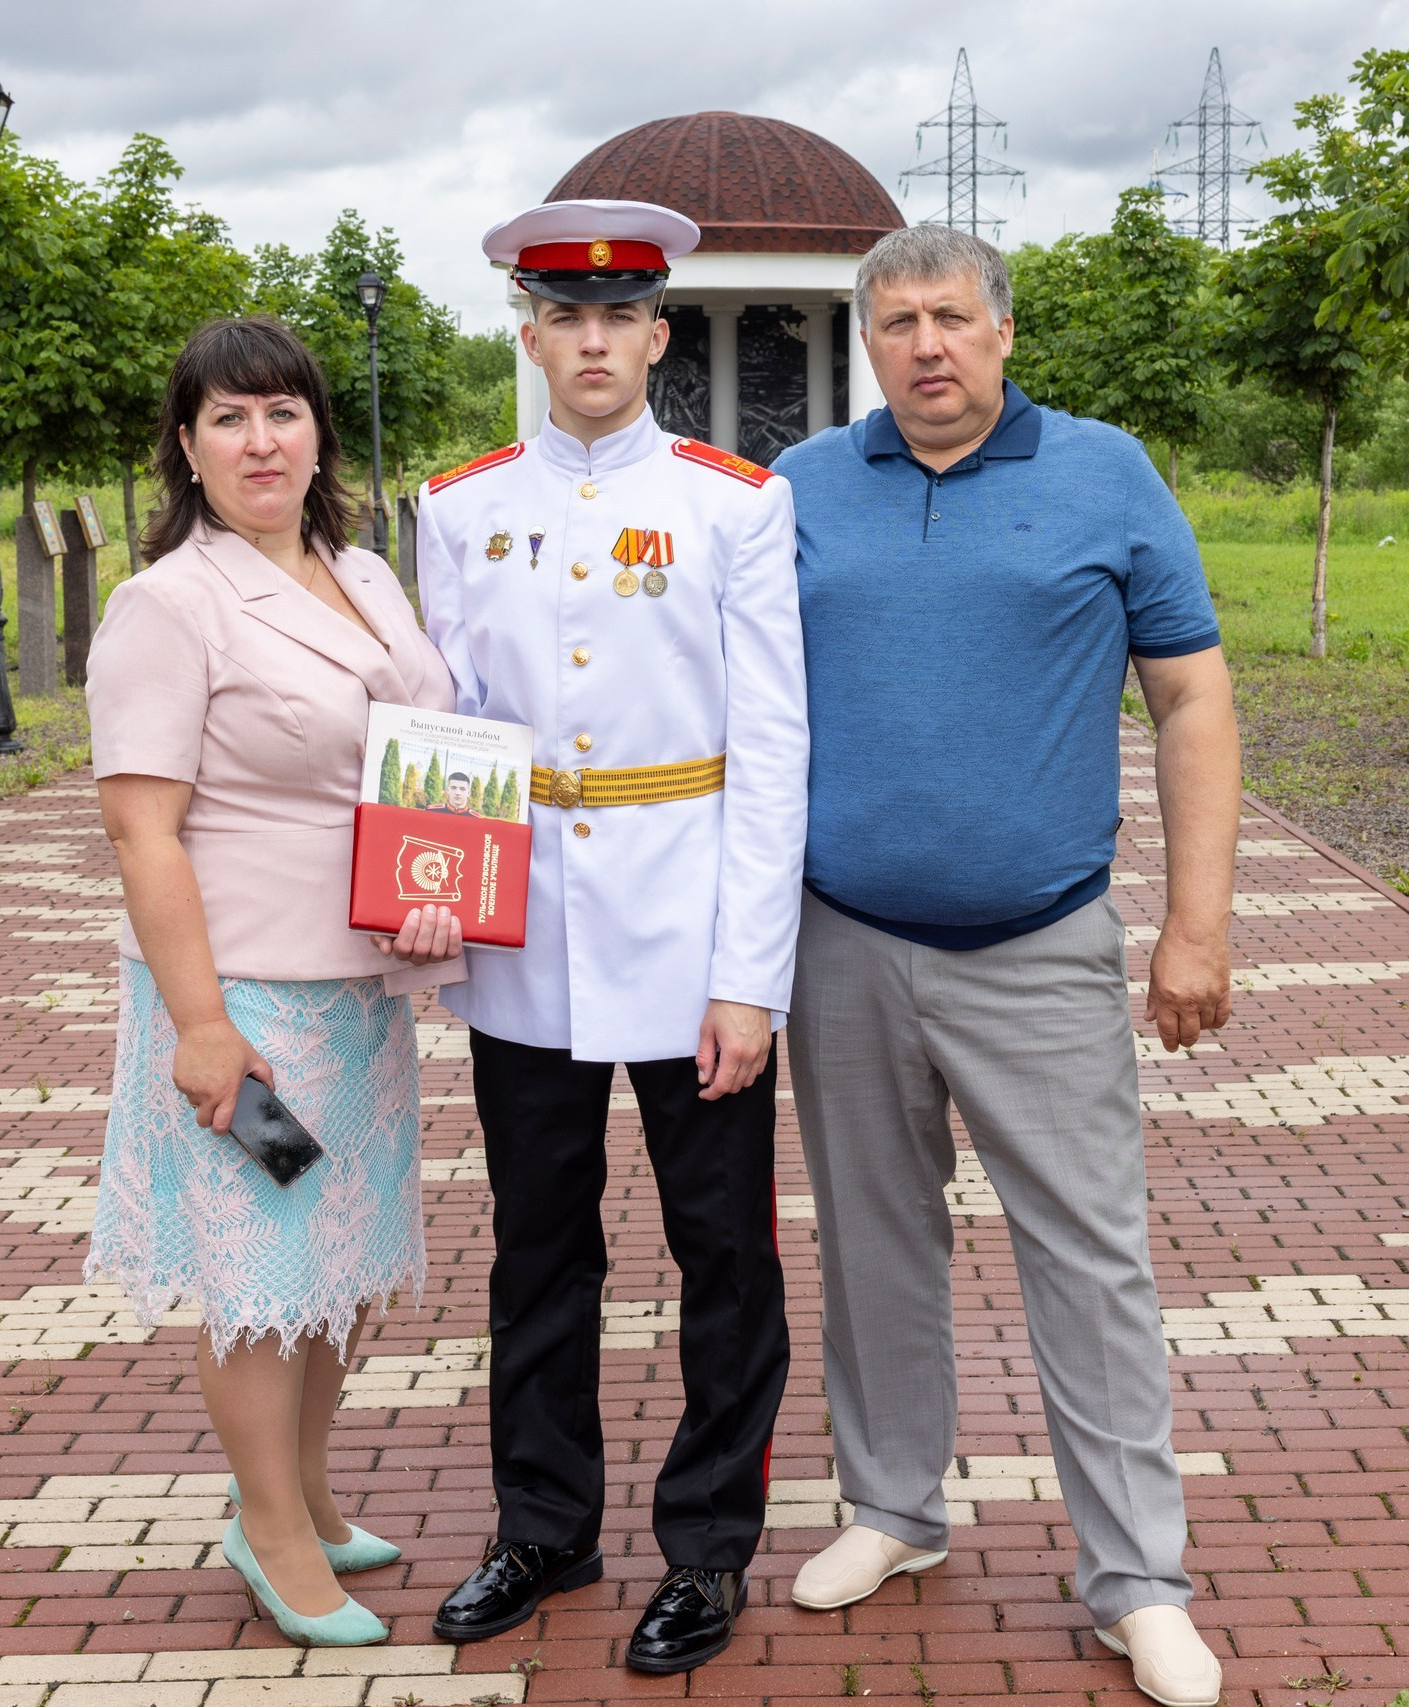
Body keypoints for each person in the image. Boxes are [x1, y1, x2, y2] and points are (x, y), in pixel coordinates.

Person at [771, 224, 1240, 1707]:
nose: (926, 347)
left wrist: (1198, 921)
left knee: (1091, 1261)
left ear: (1004, 332)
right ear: (867, 343)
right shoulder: (798, 491)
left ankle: (1136, 1580)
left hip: (1039, 943)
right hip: (840, 939)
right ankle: (895, 1510)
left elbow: (1191, 697)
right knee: (873, 1244)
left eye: (952, 319)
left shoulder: (1107, 473)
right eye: (897, 322)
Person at [415, 198, 809, 1676]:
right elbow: (443, 723)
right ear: (529, 332)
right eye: (562, 316)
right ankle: (544, 1525)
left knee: (724, 1259)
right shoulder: (459, 508)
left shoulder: (733, 503)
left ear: (658, 334)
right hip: (525, 946)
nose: (591, 341)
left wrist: (748, 980)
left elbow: (773, 753)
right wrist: (434, 913)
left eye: (618, 317)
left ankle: (707, 1549)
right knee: (537, 1250)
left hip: (689, 934)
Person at [83, 316, 465, 1648]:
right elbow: (143, 829)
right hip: (243, 1001)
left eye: (283, 413)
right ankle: (273, 1533)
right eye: (229, 418)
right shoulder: (168, 604)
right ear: (187, 447)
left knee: (342, 1264)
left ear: (318, 435)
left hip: (358, 990)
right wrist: (200, 1027)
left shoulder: (361, 571)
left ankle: (308, 1487)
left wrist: (443, 896)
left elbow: (420, 750)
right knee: (265, 1266)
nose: (261, 440)